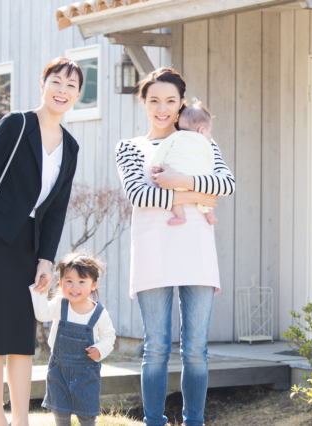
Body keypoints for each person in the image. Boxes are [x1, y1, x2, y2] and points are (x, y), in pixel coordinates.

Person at [0, 57, 82, 426]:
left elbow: (55, 210)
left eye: (71, 86)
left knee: (21, 337)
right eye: (57, 81)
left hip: (28, 244)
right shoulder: (17, 124)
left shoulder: (70, 147)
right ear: (43, 84)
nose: (62, 90)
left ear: (78, 95)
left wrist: (45, 259)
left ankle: (20, 420)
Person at [115, 67, 236, 426]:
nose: (162, 108)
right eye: (154, 100)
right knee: (156, 348)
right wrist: (199, 193)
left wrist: (179, 182)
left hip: (196, 252)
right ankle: (154, 421)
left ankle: (193, 421)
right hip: (153, 252)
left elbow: (226, 185)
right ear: (144, 103)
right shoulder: (131, 147)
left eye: (170, 101)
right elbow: (138, 194)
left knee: (196, 349)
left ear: (182, 103)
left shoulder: (203, 140)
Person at [29, 253, 116, 426]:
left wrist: (100, 348)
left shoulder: (98, 313)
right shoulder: (60, 304)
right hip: (59, 368)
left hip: (86, 372)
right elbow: (42, 314)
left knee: (87, 414)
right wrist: (40, 291)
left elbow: (109, 336)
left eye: (82, 281)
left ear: (94, 285)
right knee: (60, 411)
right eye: (69, 281)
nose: (74, 287)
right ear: (60, 283)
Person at [150, 99, 218, 226]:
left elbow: (161, 149)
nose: (210, 136)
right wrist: (211, 175)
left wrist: (156, 165)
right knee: (208, 192)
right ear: (202, 130)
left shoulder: (177, 136)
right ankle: (210, 215)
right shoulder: (207, 144)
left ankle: (180, 216)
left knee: (173, 195)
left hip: (175, 173)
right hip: (199, 178)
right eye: (210, 131)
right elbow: (211, 162)